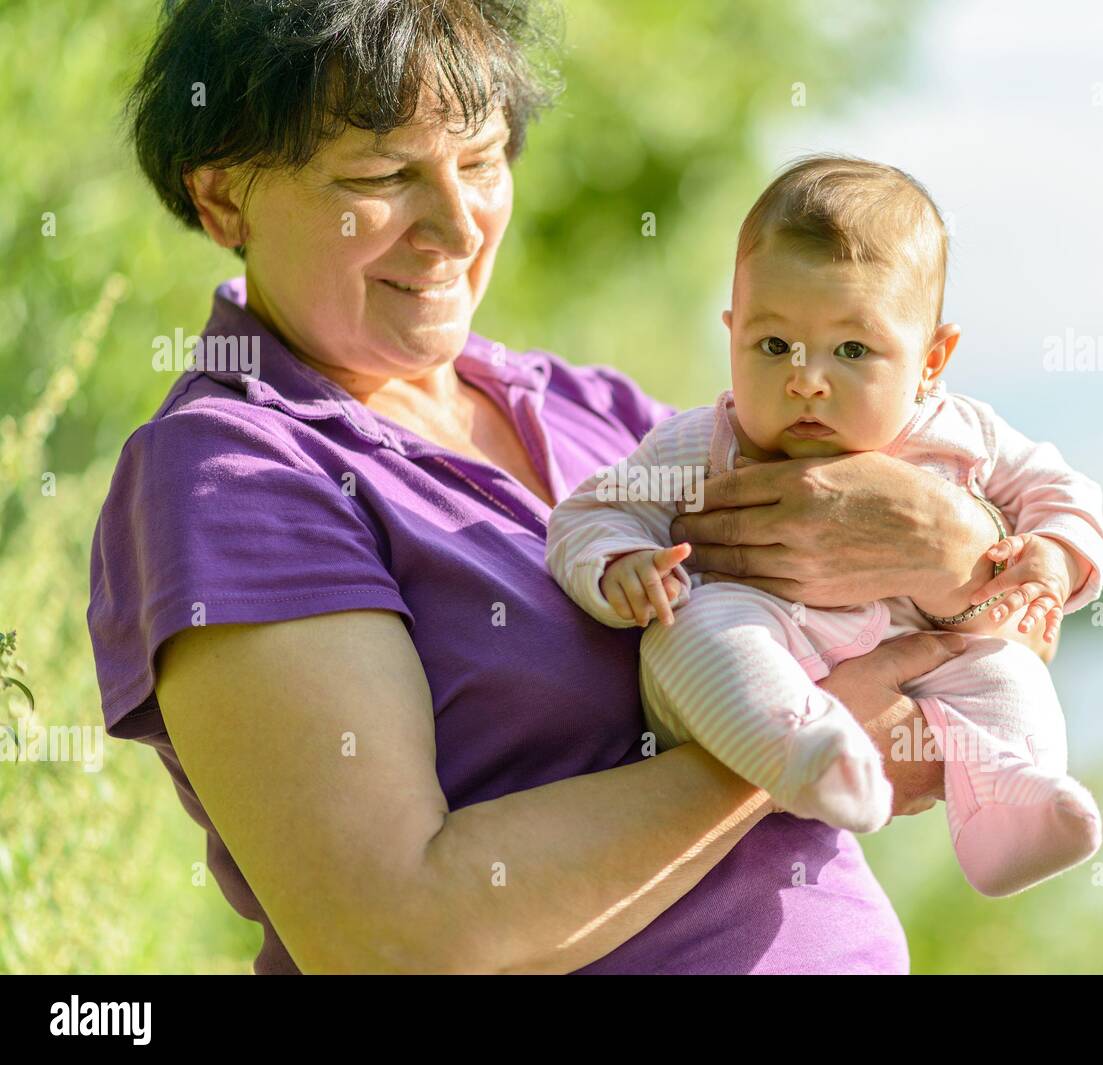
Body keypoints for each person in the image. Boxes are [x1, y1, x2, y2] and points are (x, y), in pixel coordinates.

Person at [88, 0, 1049, 974]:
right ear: (222, 202)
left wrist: (963, 549)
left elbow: (984, 632)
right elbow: (388, 933)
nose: (456, 227)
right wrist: (793, 747)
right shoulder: (235, 473)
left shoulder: (600, 413)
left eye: (479, 160)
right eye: (380, 178)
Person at [547, 156, 1103, 897]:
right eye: (773, 345)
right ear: (732, 335)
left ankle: (1011, 804)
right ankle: (810, 750)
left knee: (1004, 671)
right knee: (694, 622)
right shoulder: (705, 446)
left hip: (914, 652)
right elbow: (592, 511)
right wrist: (620, 562)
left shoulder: (963, 437)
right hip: (758, 645)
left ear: (932, 359)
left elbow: (1064, 490)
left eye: (851, 350)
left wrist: (1052, 557)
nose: (805, 378)